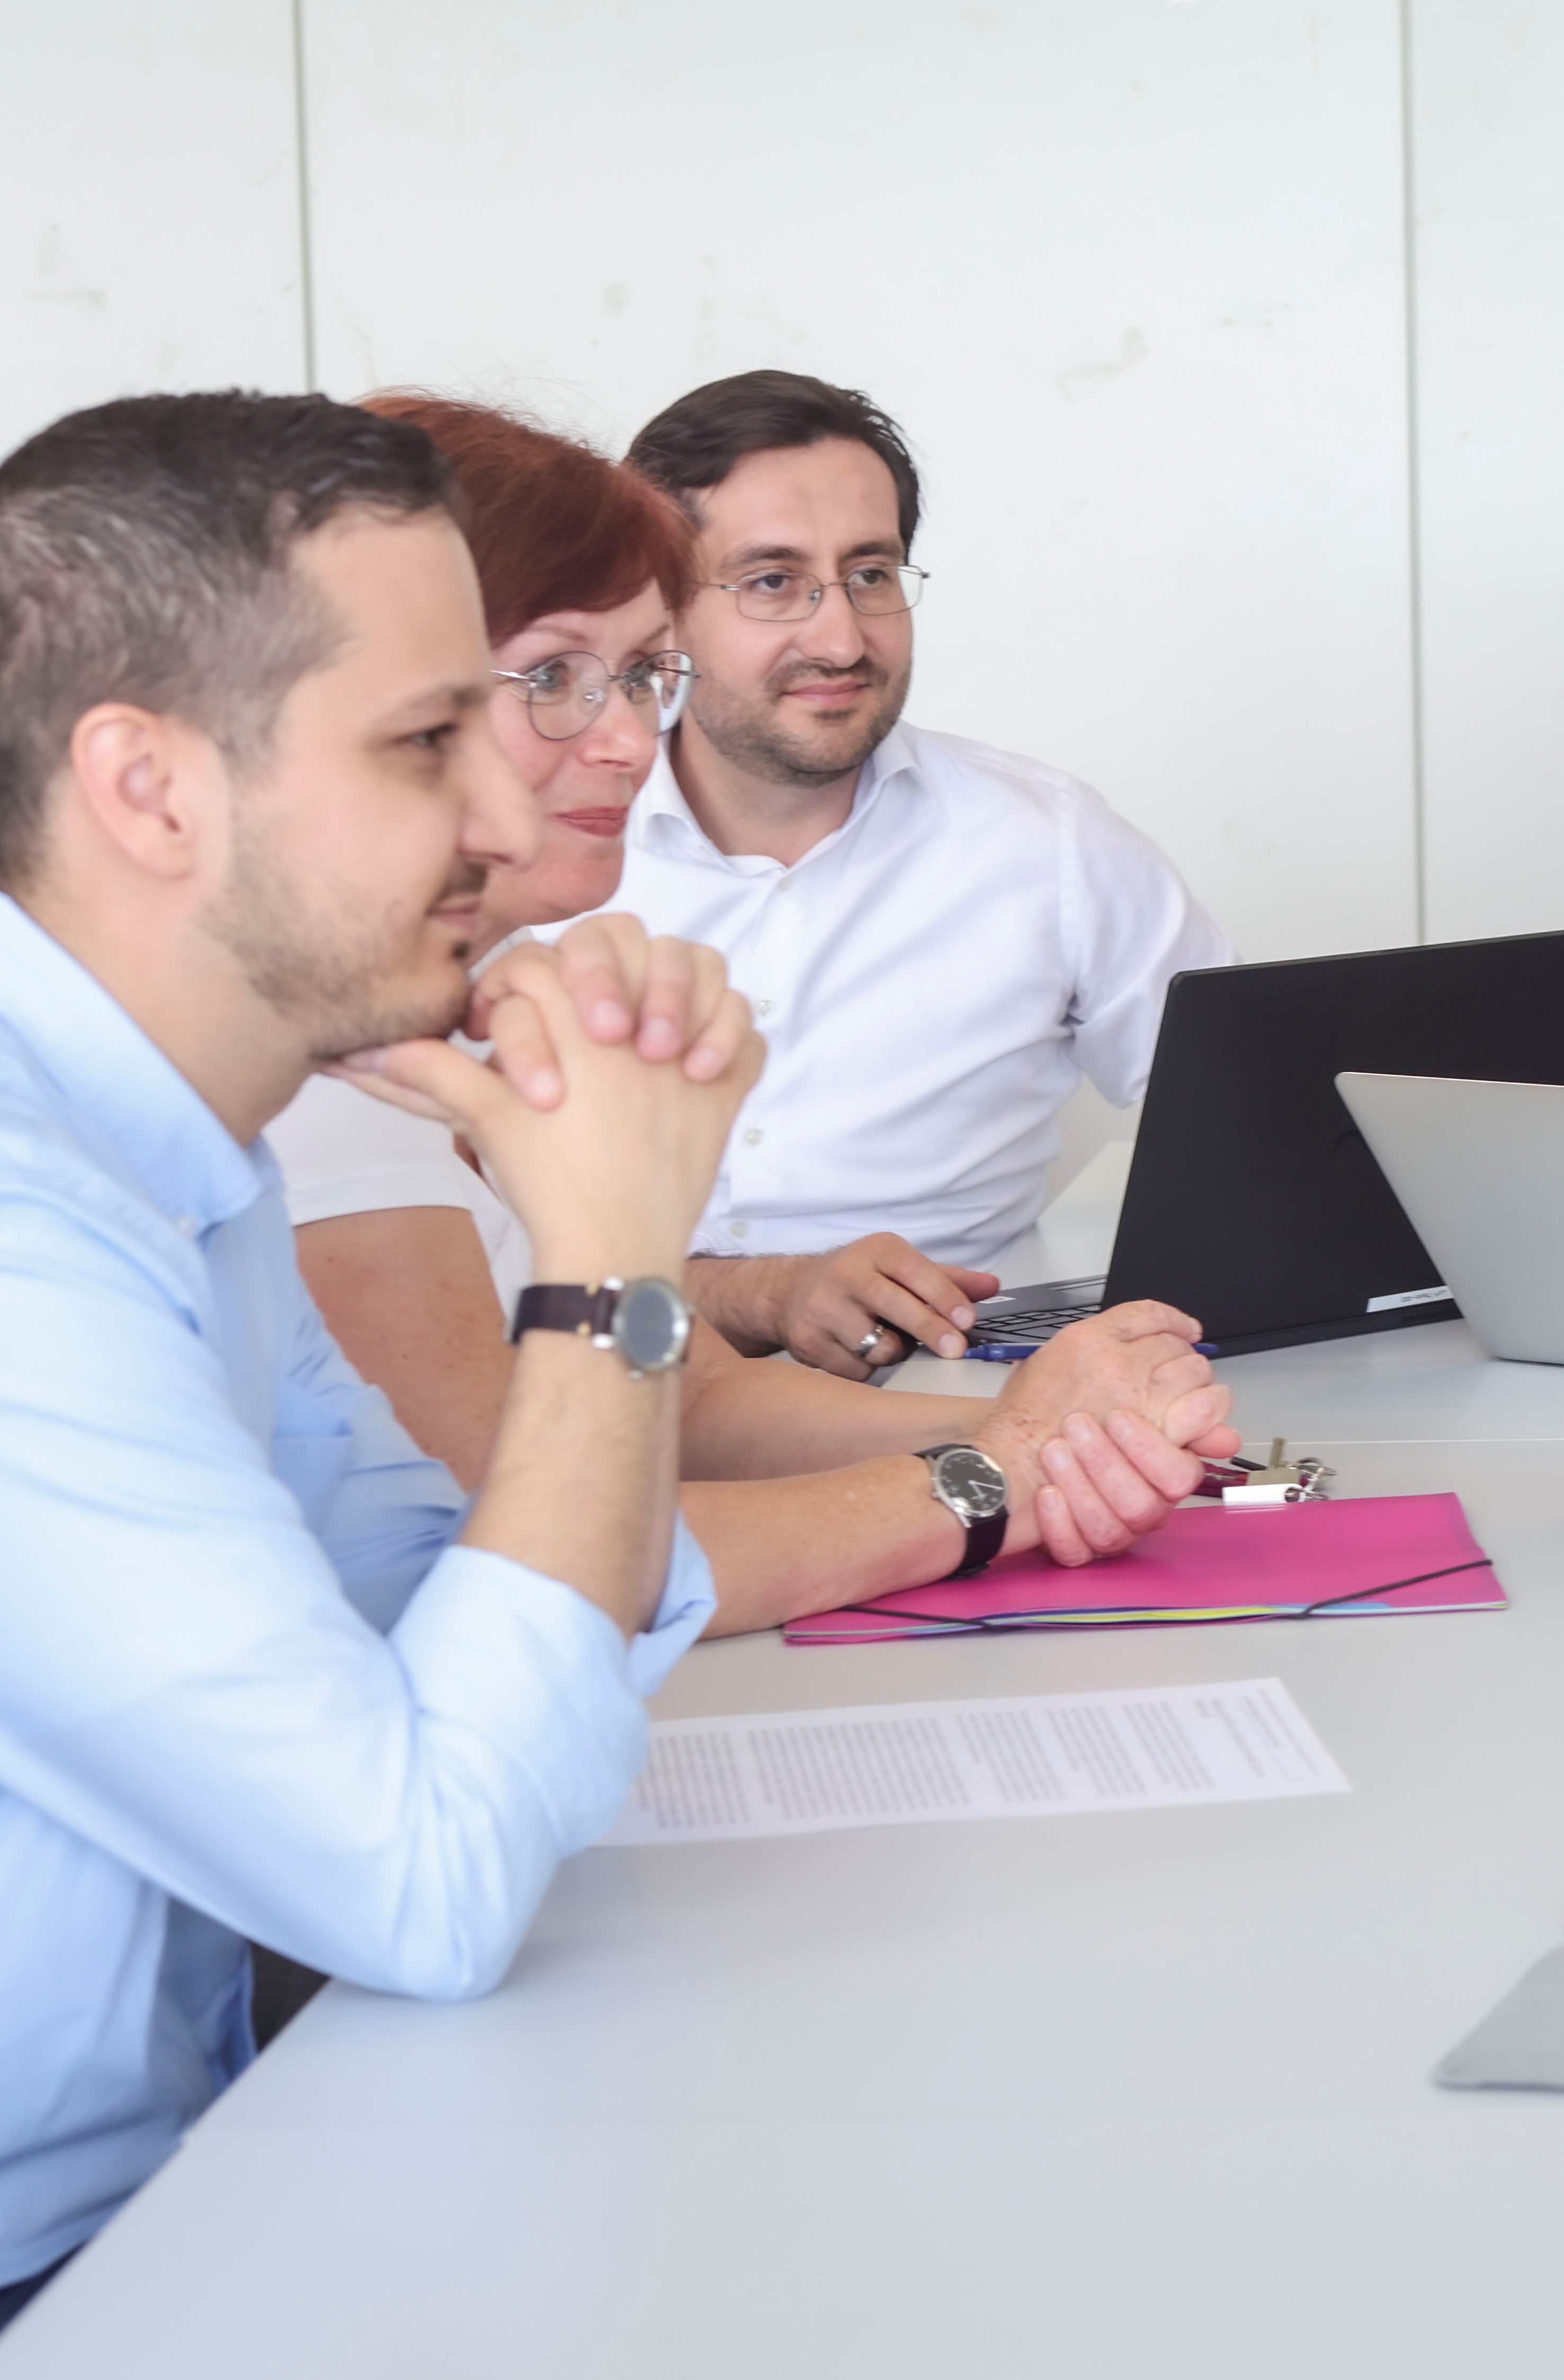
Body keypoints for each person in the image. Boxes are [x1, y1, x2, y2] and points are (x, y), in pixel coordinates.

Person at [0, 392, 754, 2325]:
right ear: (150, 788)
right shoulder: (26, 1234)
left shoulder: (187, 1165)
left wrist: (602, 1190)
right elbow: (423, 1871)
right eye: (431, 741)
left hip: (178, 2199)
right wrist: (609, 1255)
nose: (506, 818)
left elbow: (446, 1609)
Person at [266, 396, 1241, 1635]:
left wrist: (1052, 1426)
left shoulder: (428, 1021)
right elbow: (536, 1549)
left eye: (638, 678)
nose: (626, 741)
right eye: (556, 678)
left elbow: (692, 1401)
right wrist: (996, 1478)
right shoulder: (327, 1069)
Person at [584, 369, 1233, 1377]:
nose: (842, 638)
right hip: (590, 1389)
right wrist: (766, 1294)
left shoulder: (1047, 843)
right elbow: (457, 1255)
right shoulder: (545, 848)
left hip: (954, 1395)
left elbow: (1260, 1120)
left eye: (872, 574)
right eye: (772, 581)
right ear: (661, 612)